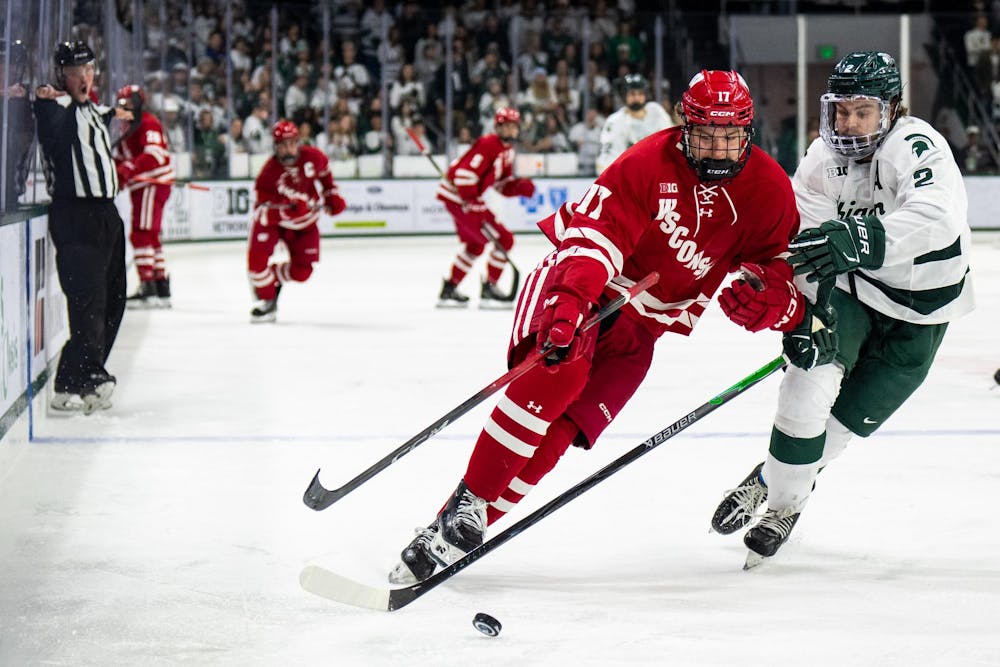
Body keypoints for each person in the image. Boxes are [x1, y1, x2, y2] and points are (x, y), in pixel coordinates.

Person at [390, 70, 806, 585]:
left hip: (643, 331)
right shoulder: (647, 162)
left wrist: (770, 295)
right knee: (557, 375)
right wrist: (569, 304)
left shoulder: (768, 189)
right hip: (588, 289)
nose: (719, 150)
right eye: (706, 136)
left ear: (748, 129)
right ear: (684, 124)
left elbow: (778, 262)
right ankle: (469, 501)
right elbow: (594, 240)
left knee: (566, 429)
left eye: (730, 136)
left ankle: (447, 540)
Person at [710, 52, 975, 567]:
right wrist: (799, 310)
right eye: (841, 111)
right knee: (807, 381)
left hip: (921, 310)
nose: (849, 123)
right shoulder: (818, 160)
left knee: (847, 421)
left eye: (863, 111)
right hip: (855, 292)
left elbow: (937, 219)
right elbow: (806, 244)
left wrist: (859, 237)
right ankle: (785, 507)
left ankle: (771, 477)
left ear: (892, 110)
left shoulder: (917, 146)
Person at [35, 41, 132, 414]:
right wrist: (41, 95)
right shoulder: (54, 108)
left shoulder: (93, 110)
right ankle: (90, 376)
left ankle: (72, 379)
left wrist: (126, 112)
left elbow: (111, 113)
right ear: (62, 75)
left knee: (114, 298)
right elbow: (51, 116)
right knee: (87, 300)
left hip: (106, 214)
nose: (83, 77)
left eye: (88, 70)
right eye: (75, 71)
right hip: (76, 215)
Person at [435, 107, 535, 309]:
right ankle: (490, 287)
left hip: (464, 199)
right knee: (504, 239)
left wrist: (518, 187)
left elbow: (500, 184)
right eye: (506, 126)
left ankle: (450, 288)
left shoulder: (507, 150)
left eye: (513, 126)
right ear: (498, 127)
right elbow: (464, 174)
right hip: (460, 199)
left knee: (476, 245)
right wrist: (471, 200)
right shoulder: (489, 144)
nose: (510, 130)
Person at [247, 121, 346, 323]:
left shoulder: (313, 157)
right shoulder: (268, 174)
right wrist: (286, 209)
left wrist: (331, 197)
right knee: (256, 265)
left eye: (291, 143)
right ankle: (267, 301)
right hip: (275, 224)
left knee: (303, 272)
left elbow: (326, 177)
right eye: (282, 145)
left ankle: (271, 277)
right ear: (275, 146)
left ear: (298, 142)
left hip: (305, 224)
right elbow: (260, 211)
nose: (288, 149)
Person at [113, 84, 174, 308]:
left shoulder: (148, 123)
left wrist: (129, 169)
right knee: (151, 234)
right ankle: (160, 284)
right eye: (120, 104)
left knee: (142, 233)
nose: (122, 108)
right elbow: (121, 156)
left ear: (138, 103)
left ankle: (148, 285)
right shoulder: (127, 126)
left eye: (126, 103)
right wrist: (116, 171)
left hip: (152, 183)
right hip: (144, 184)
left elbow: (155, 155)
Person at [594, 73, 674, 173]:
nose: (636, 98)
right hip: (629, 174)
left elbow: (670, 142)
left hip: (657, 172)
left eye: (640, 94)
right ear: (624, 95)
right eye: (632, 94)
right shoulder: (615, 121)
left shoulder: (656, 111)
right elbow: (606, 157)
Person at [0, 38, 34, 211]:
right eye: (6, 65)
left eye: (14, 66)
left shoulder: (21, 100)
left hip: (10, 198)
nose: (12, 71)